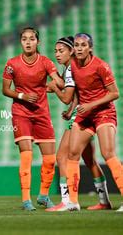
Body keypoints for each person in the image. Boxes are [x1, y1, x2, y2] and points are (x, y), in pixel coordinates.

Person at [46, 36, 111, 211]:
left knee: (62, 157)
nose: (57, 55)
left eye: (61, 51)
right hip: (84, 112)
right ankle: (104, 200)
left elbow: (67, 97)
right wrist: (69, 110)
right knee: (90, 160)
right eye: (55, 51)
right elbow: (77, 96)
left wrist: (55, 88)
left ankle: (67, 201)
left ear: (71, 51)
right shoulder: (73, 68)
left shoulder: (71, 69)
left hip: (82, 115)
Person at [2, 27, 63, 211]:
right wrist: (21, 96)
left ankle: (43, 196)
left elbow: (58, 81)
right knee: (26, 156)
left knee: (50, 159)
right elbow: (5, 89)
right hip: (21, 113)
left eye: (32, 39)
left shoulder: (45, 62)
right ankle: (26, 199)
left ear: (38, 42)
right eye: (24, 39)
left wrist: (56, 83)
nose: (28, 42)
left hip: (42, 113)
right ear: (20, 42)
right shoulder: (12, 63)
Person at [64, 33, 122, 212]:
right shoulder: (72, 64)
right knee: (72, 154)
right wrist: (72, 109)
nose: (79, 48)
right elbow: (77, 92)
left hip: (103, 112)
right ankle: (74, 202)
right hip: (84, 115)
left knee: (108, 153)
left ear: (90, 48)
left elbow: (114, 93)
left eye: (83, 45)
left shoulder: (101, 66)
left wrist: (90, 105)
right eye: (77, 45)